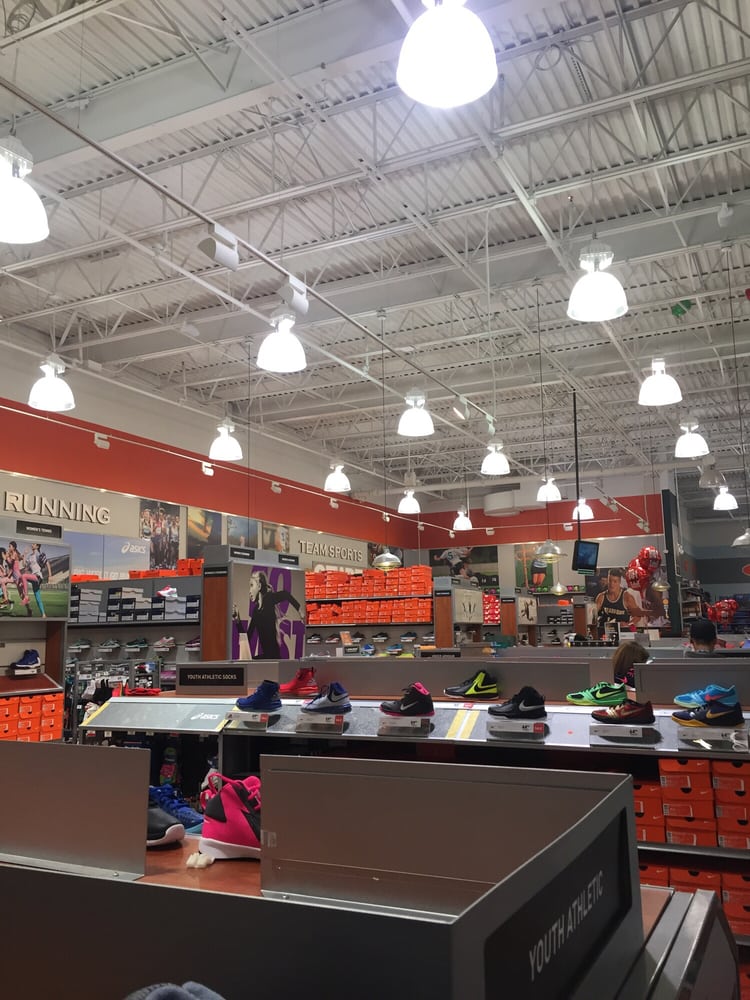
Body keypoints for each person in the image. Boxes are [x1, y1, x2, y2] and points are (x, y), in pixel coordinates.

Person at [246, 571, 301, 659]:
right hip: (267, 657)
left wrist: (300, 611)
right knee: (250, 661)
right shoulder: (256, 611)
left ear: (259, 586)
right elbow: (248, 635)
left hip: (273, 657)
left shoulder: (269, 600)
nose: (249, 591)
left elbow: (285, 594)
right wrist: (237, 620)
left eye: (251, 585)